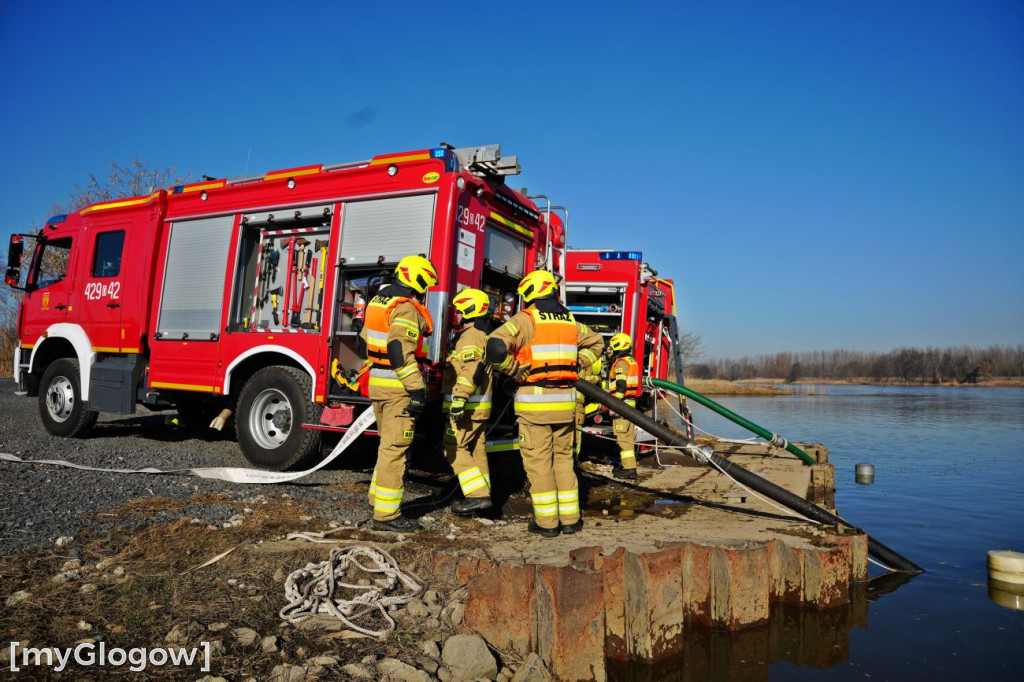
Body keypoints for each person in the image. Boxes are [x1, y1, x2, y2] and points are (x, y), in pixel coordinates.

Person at [486, 270, 604, 537]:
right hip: (565, 405)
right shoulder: (570, 321)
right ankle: (571, 520)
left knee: (539, 465)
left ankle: (547, 524)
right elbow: (597, 343)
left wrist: (513, 369)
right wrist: (578, 363)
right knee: (563, 462)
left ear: (530, 292)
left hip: (534, 406)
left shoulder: (526, 319)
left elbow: (494, 346)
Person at [358, 255, 438, 532]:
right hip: (398, 388)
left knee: (386, 445)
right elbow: (397, 348)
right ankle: (387, 515)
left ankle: (376, 499)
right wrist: (416, 388)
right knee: (396, 449)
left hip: (379, 384)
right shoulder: (405, 308)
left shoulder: (378, 301)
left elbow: (365, 337)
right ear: (418, 280)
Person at [442, 288, 495, 515]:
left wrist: (460, 398)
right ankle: (482, 497)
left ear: (469, 309)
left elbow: (470, 368)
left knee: (454, 448)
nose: (457, 315)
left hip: (467, 407)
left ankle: (477, 496)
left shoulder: (471, 336)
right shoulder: (481, 334)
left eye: (460, 310)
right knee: (475, 451)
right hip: (478, 408)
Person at [606, 333, 641, 479]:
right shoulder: (631, 361)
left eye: (611, 348)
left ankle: (629, 470)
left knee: (622, 438)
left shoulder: (621, 363)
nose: (609, 351)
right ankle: (628, 466)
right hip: (630, 404)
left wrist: (615, 406)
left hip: (622, 406)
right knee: (627, 437)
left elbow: (621, 386)